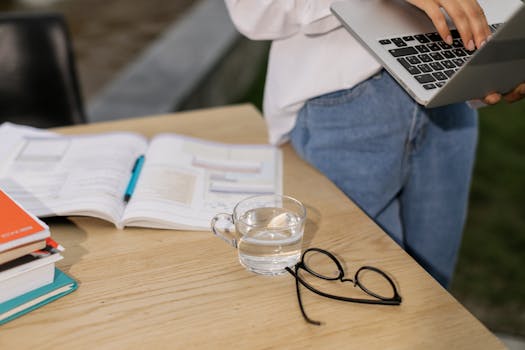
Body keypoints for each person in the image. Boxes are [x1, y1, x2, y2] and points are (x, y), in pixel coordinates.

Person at [223, 0, 525, 288]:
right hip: (346, 103)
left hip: (450, 92)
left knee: (433, 300)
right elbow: (251, 10)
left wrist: (502, 51)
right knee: (363, 299)